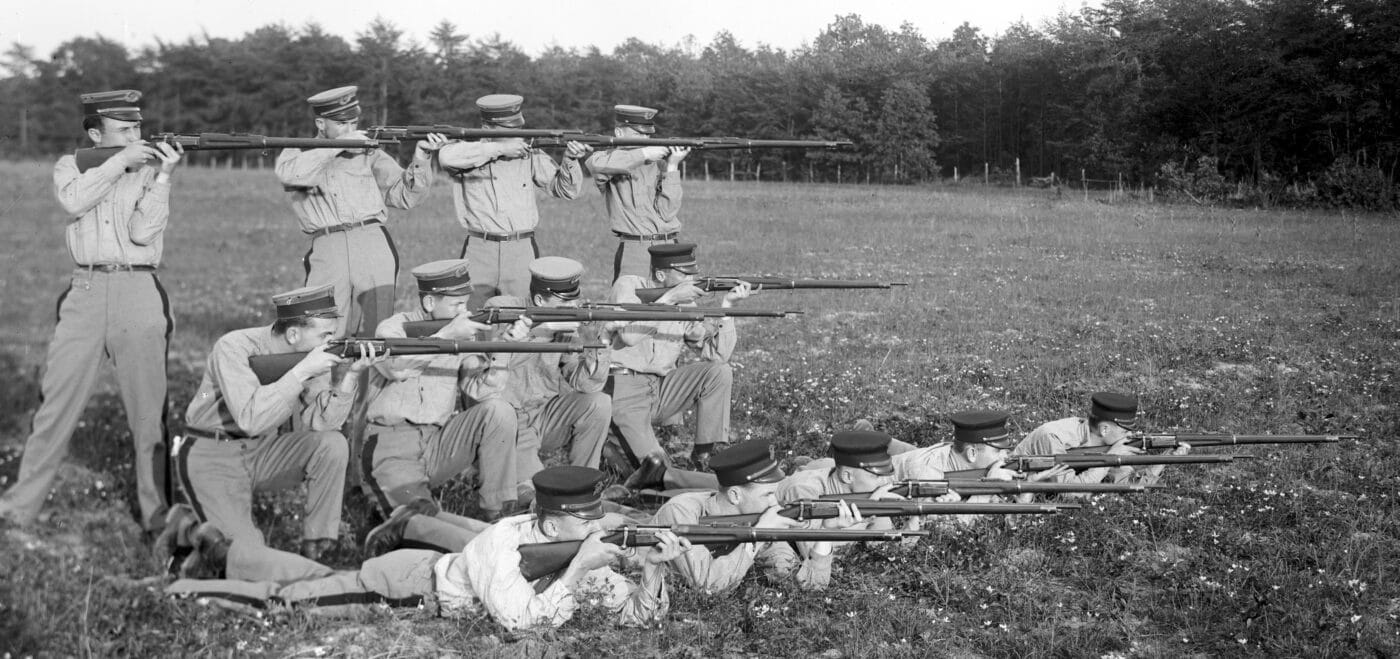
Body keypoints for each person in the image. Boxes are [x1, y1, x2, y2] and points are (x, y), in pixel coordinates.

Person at [165, 466, 689, 630]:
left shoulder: (576, 548)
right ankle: (177, 594)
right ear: (552, 529)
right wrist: (576, 574)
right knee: (289, 602)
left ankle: (216, 547)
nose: (598, 532)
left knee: (315, 576)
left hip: (419, 574)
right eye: (588, 521)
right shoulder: (503, 542)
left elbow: (631, 615)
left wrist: (653, 573)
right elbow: (522, 624)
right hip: (405, 590)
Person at [0, 90, 181, 538]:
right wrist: (119, 162)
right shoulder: (72, 164)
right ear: (96, 134)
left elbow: (142, 234)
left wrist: (162, 178)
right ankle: (18, 512)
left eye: (137, 129)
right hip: (84, 290)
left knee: (148, 413)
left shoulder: (148, 172)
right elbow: (74, 201)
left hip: (138, 290)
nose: (135, 137)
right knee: (54, 406)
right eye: (124, 131)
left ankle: (157, 520)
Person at [173, 284, 373, 560]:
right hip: (212, 455)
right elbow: (250, 421)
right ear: (293, 334)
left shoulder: (310, 357)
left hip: (261, 451)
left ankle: (317, 548)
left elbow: (321, 426)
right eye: (324, 335)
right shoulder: (234, 347)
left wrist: (350, 379)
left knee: (332, 445)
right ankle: (185, 527)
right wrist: (301, 372)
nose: (329, 343)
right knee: (246, 558)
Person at [363, 259, 522, 549]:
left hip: (438, 442)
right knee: (422, 522)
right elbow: (396, 366)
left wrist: (505, 345)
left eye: (465, 304)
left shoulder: (460, 331)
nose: (464, 312)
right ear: (428, 302)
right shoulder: (394, 327)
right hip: (392, 445)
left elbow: (484, 391)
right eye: (456, 305)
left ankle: (497, 514)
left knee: (499, 412)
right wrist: (445, 337)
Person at [275, 85, 444, 337]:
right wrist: (337, 147)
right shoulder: (298, 151)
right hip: (327, 246)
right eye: (342, 124)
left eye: (354, 123)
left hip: (371, 242)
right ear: (321, 124)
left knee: (376, 330)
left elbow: (404, 195)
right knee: (320, 329)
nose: (351, 130)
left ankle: (370, 377)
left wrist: (421, 157)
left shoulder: (369, 152)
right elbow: (291, 175)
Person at [606, 244, 749, 471]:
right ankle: (611, 445)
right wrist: (668, 300)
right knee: (659, 471)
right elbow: (630, 335)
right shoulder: (629, 286)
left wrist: (728, 308)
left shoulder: (685, 303)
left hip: (661, 389)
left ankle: (703, 457)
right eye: (684, 274)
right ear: (661, 274)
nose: (692, 279)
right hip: (624, 390)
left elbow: (717, 355)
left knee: (719, 372)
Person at [436, 94, 590, 302]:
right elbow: (446, 156)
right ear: (487, 128)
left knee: (521, 316)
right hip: (479, 247)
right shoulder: (470, 152)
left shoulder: (528, 154)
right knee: (472, 318)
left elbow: (566, 190)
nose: (515, 134)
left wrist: (570, 159)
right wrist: (499, 149)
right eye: (507, 128)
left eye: (517, 127)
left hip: (521, 247)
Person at [649, 439, 855, 592]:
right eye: (768, 494)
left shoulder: (761, 519)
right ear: (735, 495)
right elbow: (707, 585)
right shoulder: (681, 513)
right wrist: (756, 537)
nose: (775, 503)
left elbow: (809, 586)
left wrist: (827, 534)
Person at [487, 257, 611, 476]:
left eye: (574, 302)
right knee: (539, 493)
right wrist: (544, 330)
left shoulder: (565, 326)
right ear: (539, 300)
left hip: (545, 414)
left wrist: (599, 341)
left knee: (599, 403)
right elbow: (497, 364)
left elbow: (585, 385)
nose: (573, 308)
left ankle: (585, 481)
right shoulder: (499, 310)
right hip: (510, 424)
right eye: (565, 304)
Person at [584, 105, 691, 281]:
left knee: (676, 302)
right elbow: (595, 166)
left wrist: (673, 166)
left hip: (670, 245)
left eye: (647, 135)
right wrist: (643, 153)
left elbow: (668, 212)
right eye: (638, 134)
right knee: (630, 301)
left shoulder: (659, 164)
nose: (645, 139)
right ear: (619, 133)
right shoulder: (606, 158)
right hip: (635, 246)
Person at [1013, 392, 1191, 487]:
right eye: (1125, 431)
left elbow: (1128, 485)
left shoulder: (1108, 445)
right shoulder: (1054, 437)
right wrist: (1110, 460)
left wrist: (1164, 460)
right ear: (1104, 429)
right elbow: (1070, 493)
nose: (1129, 436)